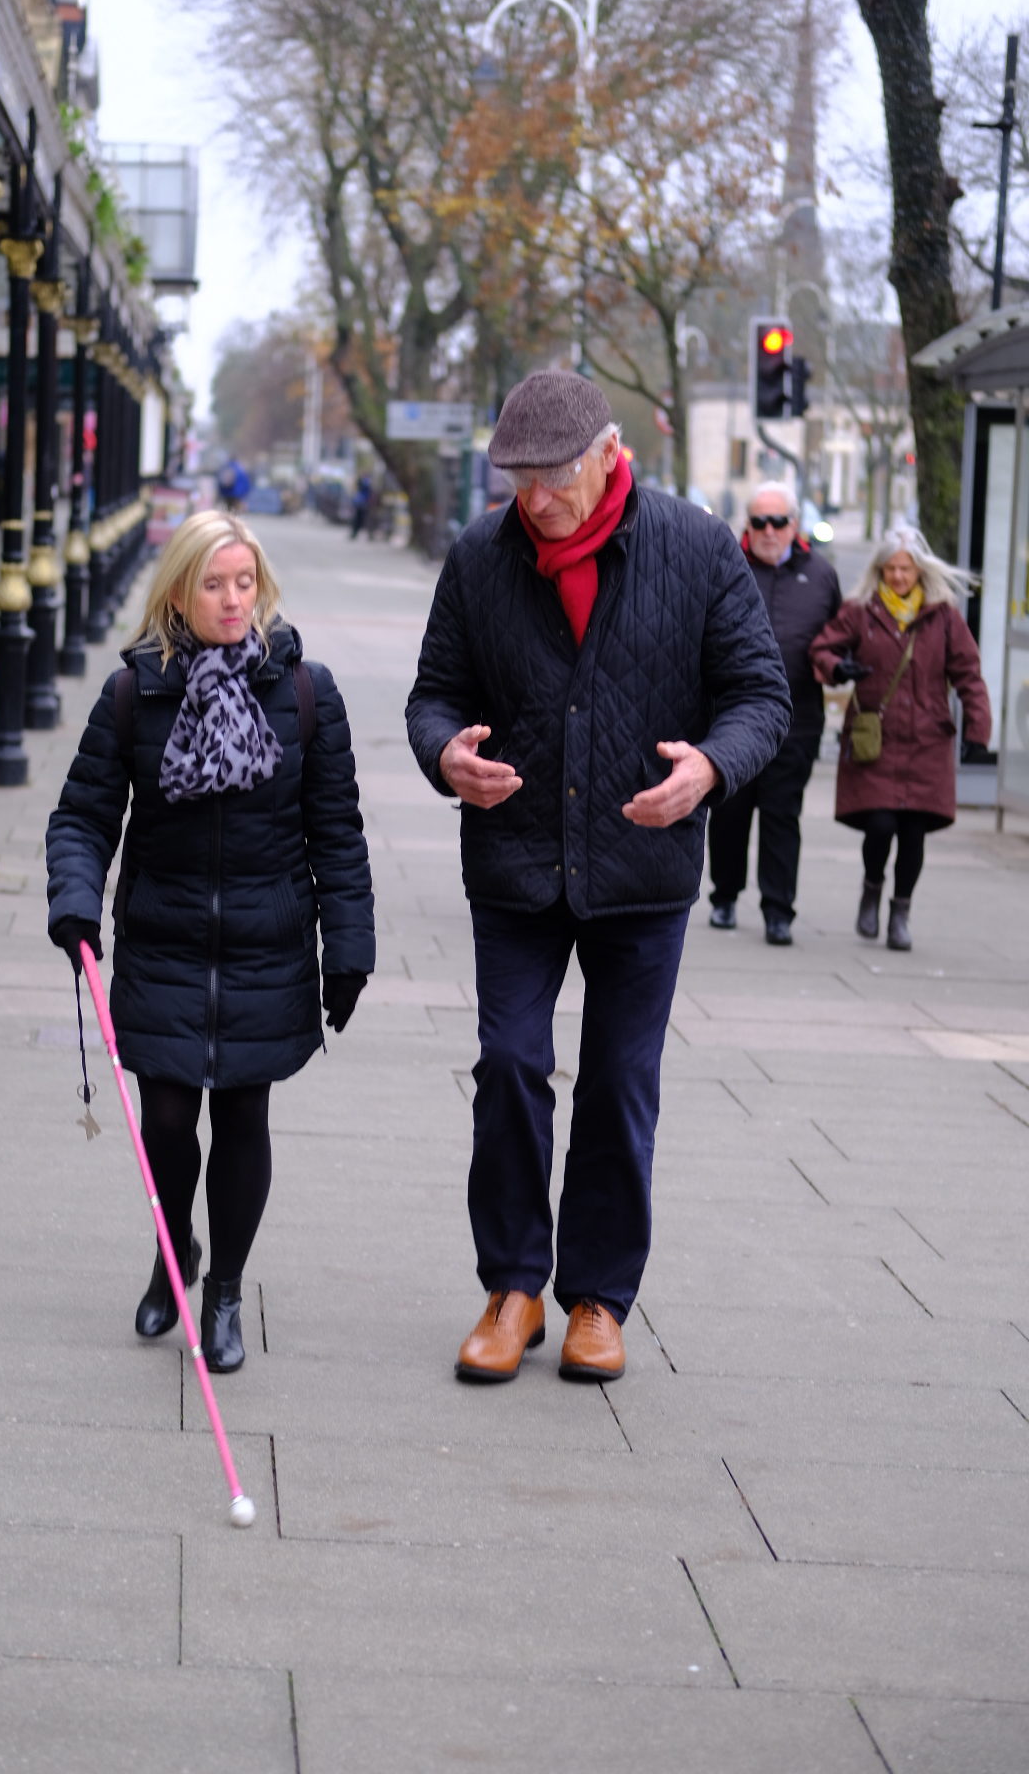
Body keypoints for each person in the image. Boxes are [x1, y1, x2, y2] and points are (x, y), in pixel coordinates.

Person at [405, 370, 791, 1385]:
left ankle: (595, 1299)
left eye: (554, 476)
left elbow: (759, 694)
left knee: (621, 1084)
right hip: (516, 860)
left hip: (640, 868)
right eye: (519, 479)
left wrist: (708, 767)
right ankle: (512, 1287)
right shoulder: (479, 560)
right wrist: (446, 754)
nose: (535, 499)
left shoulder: (697, 548)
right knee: (508, 1065)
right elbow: (434, 692)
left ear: (609, 453)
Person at [46, 511, 375, 1370]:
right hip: (163, 936)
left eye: (245, 583)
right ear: (179, 592)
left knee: (241, 1113)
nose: (233, 601)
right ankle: (172, 1254)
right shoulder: (133, 694)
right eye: (214, 584)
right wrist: (76, 900)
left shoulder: (307, 691)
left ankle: (225, 1288)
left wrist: (349, 948)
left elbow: (336, 833)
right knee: (163, 1121)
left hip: (267, 944)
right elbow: (82, 818)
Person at [809, 525, 991, 952]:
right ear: (880, 570)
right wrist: (839, 668)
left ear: (919, 571)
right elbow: (822, 648)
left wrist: (978, 732)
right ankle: (872, 889)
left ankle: (900, 913)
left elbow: (969, 675)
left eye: (905, 569)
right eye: (890, 569)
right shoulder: (861, 611)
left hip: (928, 740)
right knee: (880, 823)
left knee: (913, 831)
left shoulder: (944, 617)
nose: (898, 577)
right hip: (877, 738)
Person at [707, 482, 842, 945]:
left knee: (782, 815)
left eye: (777, 521)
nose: (768, 531)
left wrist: (836, 666)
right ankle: (724, 895)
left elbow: (835, 637)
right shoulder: (727, 567)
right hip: (729, 719)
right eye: (759, 521)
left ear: (794, 526)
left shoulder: (822, 576)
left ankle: (778, 909)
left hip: (796, 720)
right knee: (729, 812)